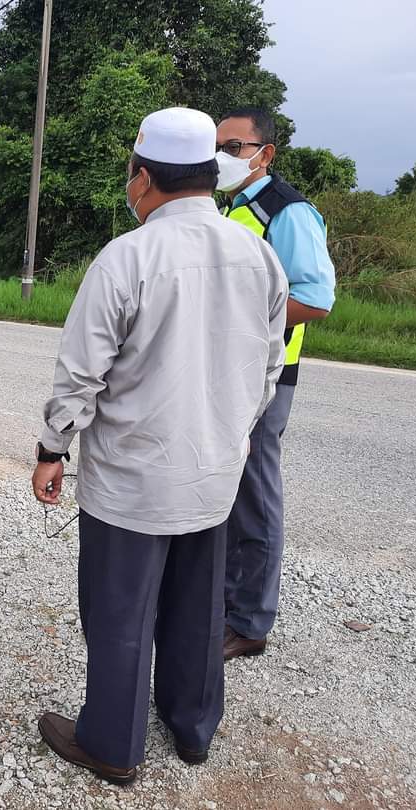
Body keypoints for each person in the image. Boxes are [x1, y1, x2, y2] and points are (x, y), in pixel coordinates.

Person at [31, 108, 289, 784]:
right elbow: (268, 369)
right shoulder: (257, 255)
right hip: (214, 475)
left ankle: (112, 746)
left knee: (120, 613)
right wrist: (232, 435)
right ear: (209, 175)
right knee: (198, 610)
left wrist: (52, 448)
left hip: (132, 483)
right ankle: (193, 728)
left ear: (143, 178)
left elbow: (80, 374)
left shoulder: (129, 257)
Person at [215, 108, 336, 660]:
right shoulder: (233, 207)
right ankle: (223, 603)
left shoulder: (288, 211)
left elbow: (314, 298)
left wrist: (244, 322)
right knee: (227, 488)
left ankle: (249, 623)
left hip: (266, 375)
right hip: (229, 371)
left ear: (265, 154)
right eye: (216, 146)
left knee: (255, 496)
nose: (221, 157)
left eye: (233, 147)